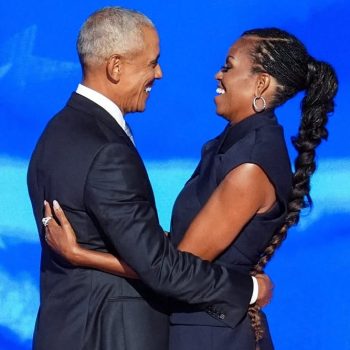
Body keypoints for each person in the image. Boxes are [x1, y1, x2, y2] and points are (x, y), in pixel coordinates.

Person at [43, 26, 338, 349]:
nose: (218, 75)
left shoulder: (250, 166)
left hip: (211, 334)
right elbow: (178, 252)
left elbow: (173, 270)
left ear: (261, 83)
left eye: (228, 66)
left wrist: (80, 254)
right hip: (195, 326)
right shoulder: (229, 147)